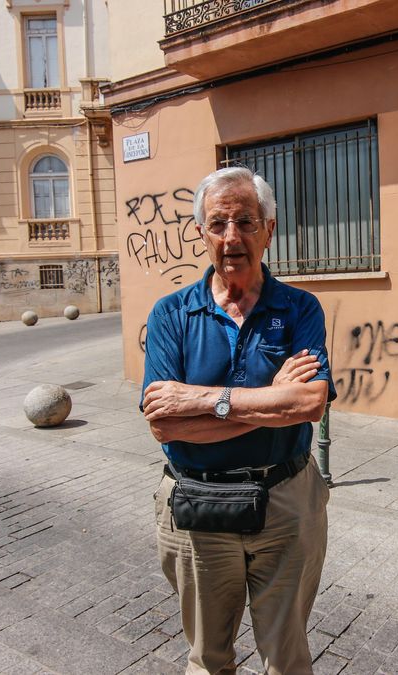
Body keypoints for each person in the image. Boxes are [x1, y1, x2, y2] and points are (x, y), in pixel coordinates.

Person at [141, 166, 335, 674]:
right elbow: (165, 424)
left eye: (246, 221)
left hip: (286, 504)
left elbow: (308, 403)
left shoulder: (299, 309)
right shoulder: (170, 315)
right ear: (202, 233)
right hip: (196, 509)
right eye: (218, 223)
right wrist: (268, 399)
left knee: (287, 658)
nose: (232, 238)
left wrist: (202, 401)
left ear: (269, 229)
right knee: (208, 659)